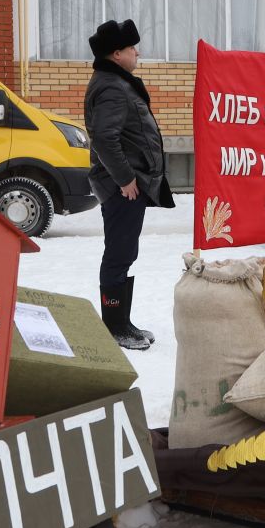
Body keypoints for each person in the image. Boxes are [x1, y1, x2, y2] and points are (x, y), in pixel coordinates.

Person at [84, 18, 173, 351]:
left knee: (124, 252)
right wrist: (125, 179)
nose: (138, 53)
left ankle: (122, 322)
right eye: (133, 48)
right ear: (117, 53)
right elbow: (105, 139)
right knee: (119, 255)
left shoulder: (114, 82)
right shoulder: (110, 86)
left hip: (126, 184)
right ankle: (115, 328)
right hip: (122, 186)